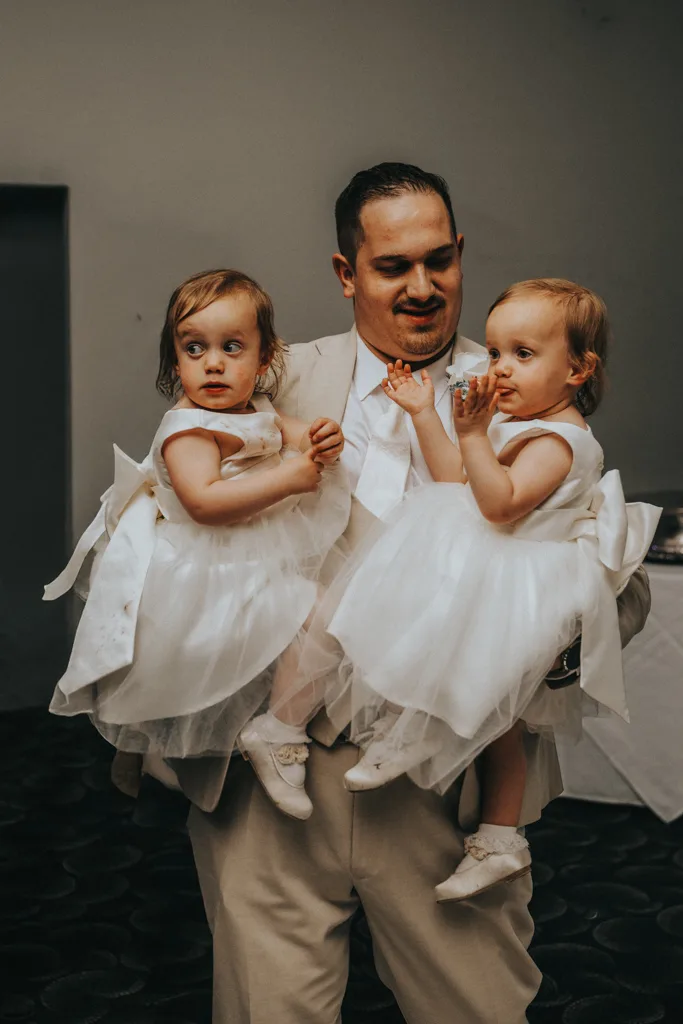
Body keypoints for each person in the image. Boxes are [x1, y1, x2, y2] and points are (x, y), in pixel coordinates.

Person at [172, 164, 651, 1024]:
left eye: (440, 261)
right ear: (345, 272)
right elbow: (177, 521)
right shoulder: (267, 375)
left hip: (449, 783)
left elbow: (618, 580)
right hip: (272, 782)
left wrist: (540, 637)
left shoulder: (524, 384)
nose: (423, 288)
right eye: (393, 267)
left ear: (462, 254)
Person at [309, 278, 660, 903]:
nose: (500, 369)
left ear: (579, 369)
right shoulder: (519, 422)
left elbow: (497, 507)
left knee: (491, 710)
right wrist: (426, 414)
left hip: (520, 588)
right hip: (492, 575)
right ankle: (499, 839)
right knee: (497, 723)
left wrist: (473, 434)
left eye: (523, 354)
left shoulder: (559, 440)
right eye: (496, 353)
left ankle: (456, 788)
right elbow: (456, 486)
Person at [44, 269, 349, 821]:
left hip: (250, 550)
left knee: (288, 635)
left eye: (232, 347)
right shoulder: (187, 428)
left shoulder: (255, 406)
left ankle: (225, 740)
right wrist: (289, 479)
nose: (213, 362)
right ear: (175, 360)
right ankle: (255, 740)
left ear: (263, 360)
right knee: (203, 665)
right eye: (195, 348)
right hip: (203, 566)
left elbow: (290, 430)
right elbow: (204, 501)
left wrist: (318, 436)